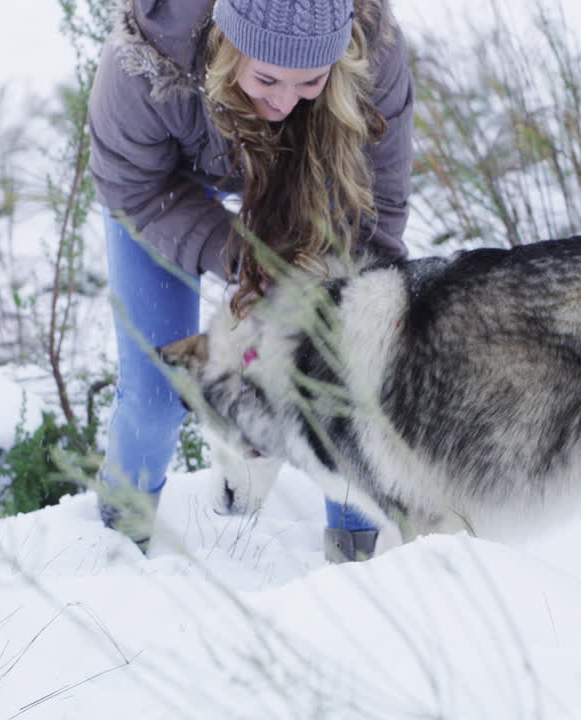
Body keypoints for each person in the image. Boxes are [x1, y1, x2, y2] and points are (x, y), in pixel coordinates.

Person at [87, 0, 413, 560]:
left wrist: (352, 302)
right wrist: (247, 262)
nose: (285, 101)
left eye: (310, 79)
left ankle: (358, 554)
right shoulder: (146, 58)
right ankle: (117, 539)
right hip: (163, 187)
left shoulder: (372, 55)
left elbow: (377, 207)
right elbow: (132, 187)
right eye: (267, 77)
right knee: (156, 392)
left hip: (310, 172)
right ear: (227, 42)